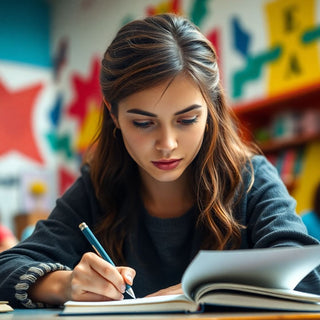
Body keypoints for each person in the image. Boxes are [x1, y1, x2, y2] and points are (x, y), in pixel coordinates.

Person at [0, 13, 319, 309]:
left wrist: (196, 290)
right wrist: (67, 284)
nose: (167, 144)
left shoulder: (250, 179)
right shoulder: (97, 188)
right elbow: (7, 268)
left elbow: (303, 270)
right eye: (143, 123)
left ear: (211, 110)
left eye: (187, 119)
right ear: (114, 115)